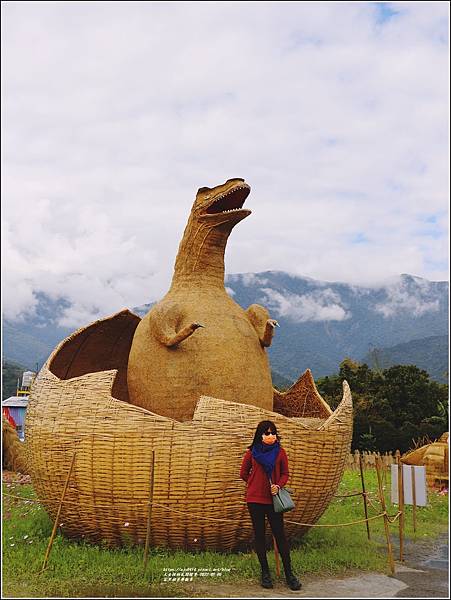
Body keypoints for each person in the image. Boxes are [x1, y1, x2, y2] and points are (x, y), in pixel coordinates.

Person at [239, 420, 302, 591]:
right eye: (267, 433)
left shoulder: (280, 452)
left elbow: (285, 473)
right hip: (255, 501)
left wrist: (278, 486)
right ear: (260, 435)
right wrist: (254, 485)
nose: (270, 436)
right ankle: (265, 574)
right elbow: (243, 473)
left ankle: (289, 574)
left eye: (273, 433)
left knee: (280, 535)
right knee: (259, 535)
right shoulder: (252, 453)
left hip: (274, 501)